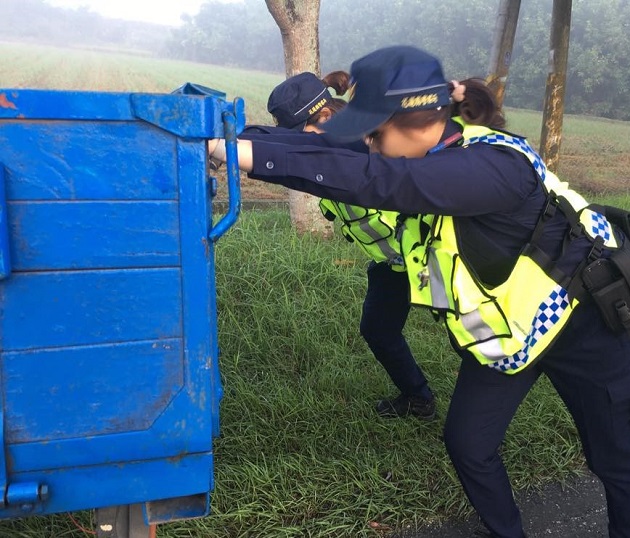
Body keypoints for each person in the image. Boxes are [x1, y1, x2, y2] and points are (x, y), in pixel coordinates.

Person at [209, 45, 630, 538]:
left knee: (615, 461)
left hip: (586, 327)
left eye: (372, 130)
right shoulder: (425, 146)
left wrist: (241, 155)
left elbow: (381, 181)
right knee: (468, 444)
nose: (365, 141)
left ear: (410, 121)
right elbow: (322, 149)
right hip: (513, 337)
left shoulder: (491, 167)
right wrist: (224, 142)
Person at [245, 70, 436, 420]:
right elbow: (284, 144)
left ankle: (501, 382)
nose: (305, 146)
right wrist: (225, 141)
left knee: (467, 328)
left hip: (432, 254)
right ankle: (419, 398)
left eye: (306, 134)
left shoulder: (368, 141)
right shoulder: (334, 140)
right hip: (393, 261)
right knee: (378, 329)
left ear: (329, 117)